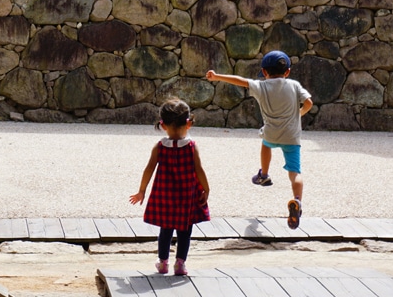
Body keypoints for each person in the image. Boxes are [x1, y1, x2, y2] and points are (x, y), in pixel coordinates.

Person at [206, 50, 312, 229]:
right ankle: (297, 200)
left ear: (264, 72)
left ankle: (264, 174)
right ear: (287, 72)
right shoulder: (294, 85)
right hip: (292, 136)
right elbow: (308, 102)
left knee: (265, 144)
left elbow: (240, 80)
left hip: (271, 132)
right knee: (295, 172)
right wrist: (299, 114)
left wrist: (217, 77)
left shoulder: (261, 87)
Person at [129, 98, 210, 276]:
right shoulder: (191, 147)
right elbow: (199, 169)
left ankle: (163, 262)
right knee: (185, 231)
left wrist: (142, 190)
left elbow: (149, 169)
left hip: (165, 196)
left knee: (165, 230)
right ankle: (180, 263)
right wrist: (206, 189)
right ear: (188, 123)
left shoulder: (160, 147)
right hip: (186, 197)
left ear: (163, 125)